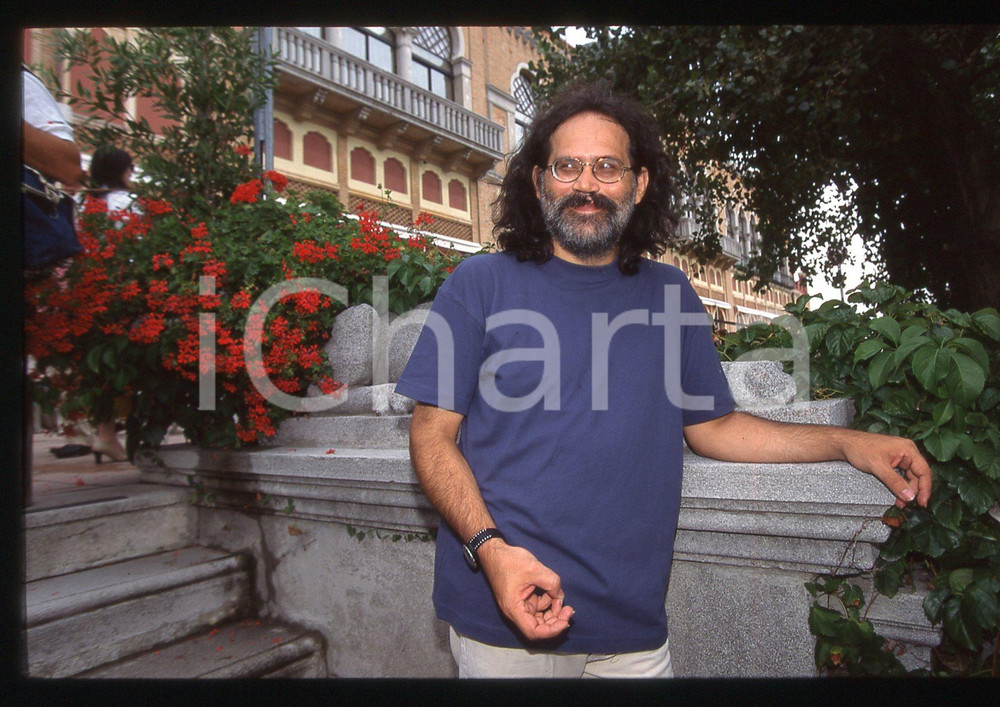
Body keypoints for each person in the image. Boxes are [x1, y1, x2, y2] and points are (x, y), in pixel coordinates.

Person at [394, 82, 933, 679]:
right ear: (539, 181)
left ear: (639, 183)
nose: (586, 185)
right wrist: (491, 553)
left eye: (607, 167)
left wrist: (848, 443)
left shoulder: (671, 294)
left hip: (633, 625)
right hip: (504, 620)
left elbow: (715, 427)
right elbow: (431, 437)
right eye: (567, 166)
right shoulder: (479, 284)